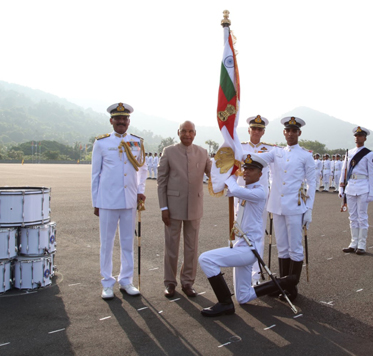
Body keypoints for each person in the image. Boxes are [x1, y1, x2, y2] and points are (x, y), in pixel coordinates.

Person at [198, 153, 291, 316]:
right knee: (243, 297)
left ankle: (225, 302)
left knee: (205, 259)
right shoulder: (246, 190)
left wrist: (229, 175)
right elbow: (227, 189)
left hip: (249, 249)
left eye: (251, 169)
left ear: (260, 174)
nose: (246, 172)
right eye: (245, 168)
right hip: (241, 245)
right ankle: (277, 284)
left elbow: (233, 188)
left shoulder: (259, 192)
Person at [91, 102, 147, 300]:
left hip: (129, 201)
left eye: (124, 119)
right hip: (107, 202)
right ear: (111, 121)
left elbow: (142, 169)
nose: (121, 122)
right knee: (106, 244)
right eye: (118, 119)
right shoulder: (101, 143)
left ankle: (126, 280)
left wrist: (140, 191)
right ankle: (107, 283)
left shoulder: (137, 142)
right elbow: (95, 175)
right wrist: (95, 202)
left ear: (129, 121)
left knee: (127, 243)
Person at [257, 116, 316, 300]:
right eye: (287, 130)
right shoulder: (276, 152)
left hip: (295, 207)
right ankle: (283, 284)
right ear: (284, 132)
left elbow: (311, 183)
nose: (290, 133)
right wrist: (236, 149)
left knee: (295, 248)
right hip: (277, 206)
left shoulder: (305, 156)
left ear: (299, 133)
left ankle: (292, 287)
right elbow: (257, 158)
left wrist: (309, 208)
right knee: (282, 247)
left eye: (294, 131)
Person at [158, 121, 212, 298]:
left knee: (192, 247)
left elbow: (214, 173)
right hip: (172, 208)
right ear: (178, 132)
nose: (187, 134)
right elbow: (162, 182)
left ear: (195, 133)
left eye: (190, 131)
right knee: (171, 246)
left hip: (195, 207)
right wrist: (163, 207)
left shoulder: (202, 152)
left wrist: (229, 168)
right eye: (184, 131)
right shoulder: (169, 151)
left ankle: (188, 282)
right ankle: (170, 283)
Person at [238, 115, 273, 285]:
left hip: (260, 197)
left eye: (260, 129)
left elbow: (276, 172)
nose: (257, 132)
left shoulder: (270, 149)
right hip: (242, 195)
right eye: (254, 128)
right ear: (249, 130)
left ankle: (256, 274)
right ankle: (241, 272)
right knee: (239, 233)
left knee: (258, 234)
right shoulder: (240, 147)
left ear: (263, 131)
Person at [339, 126, 373, 255]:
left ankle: (362, 244)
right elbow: (344, 171)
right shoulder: (349, 153)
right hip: (350, 186)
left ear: (365, 138)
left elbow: (372, 175)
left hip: (363, 187)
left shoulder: (369, 154)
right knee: (352, 217)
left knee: (362, 217)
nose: (357, 138)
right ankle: (353, 242)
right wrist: (341, 187)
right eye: (356, 136)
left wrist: (371, 192)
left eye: (360, 136)